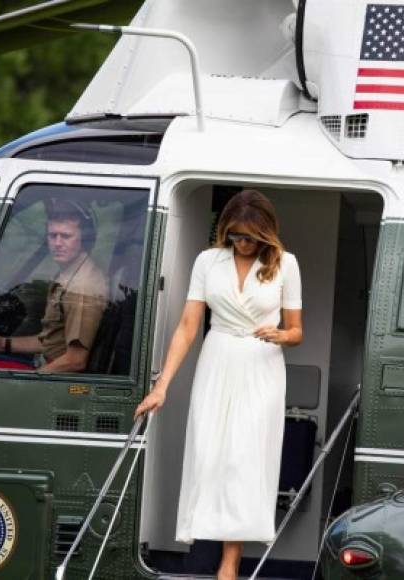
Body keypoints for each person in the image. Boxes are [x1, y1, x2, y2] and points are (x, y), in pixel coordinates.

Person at [135, 189, 303, 580]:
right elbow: (188, 326)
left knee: (243, 460)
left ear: (265, 234)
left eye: (249, 237)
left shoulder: (286, 265)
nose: (242, 243)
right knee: (209, 452)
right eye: (235, 236)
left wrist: (280, 335)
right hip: (218, 358)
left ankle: (229, 564)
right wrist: (162, 386)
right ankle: (204, 541)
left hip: (261, 365)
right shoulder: (208, 261)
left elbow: (297, 331)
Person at [0, 200, 108, 373]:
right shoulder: (68, 274)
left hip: (54, 377)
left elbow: (75, 361)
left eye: (66, 236)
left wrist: (28, 380)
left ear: (85, 239)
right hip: (45, 363)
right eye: (53, 236)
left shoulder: (82, 287)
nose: (57, 243)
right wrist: (3, 344)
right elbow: (49, 341)